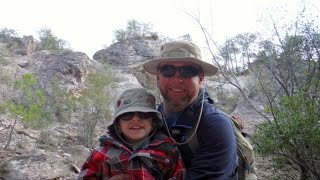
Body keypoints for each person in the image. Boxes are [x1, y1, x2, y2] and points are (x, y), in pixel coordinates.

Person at [142, 40, 238, 179]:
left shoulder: (215, 124)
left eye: (188, 71)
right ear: (158, 76)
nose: (176, 79)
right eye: (168, 70)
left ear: (200, 78)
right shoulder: (149, 119)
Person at [78, 88, 186, 180]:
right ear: (118, 125)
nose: (136, 119)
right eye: (127, 115)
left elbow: (180, 176)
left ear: (153, 123)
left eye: (143, 114)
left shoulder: (168, 151)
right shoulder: (100, 154)